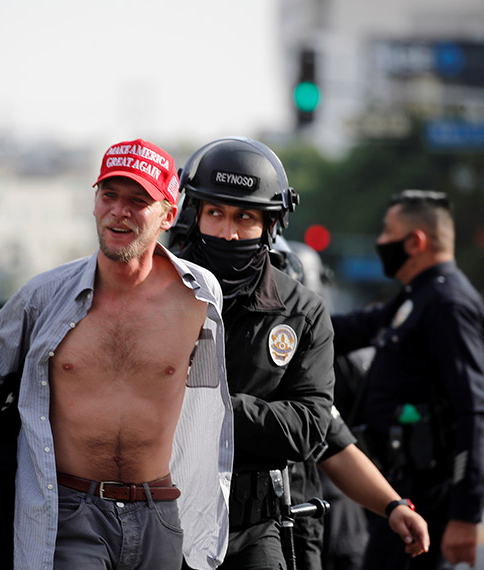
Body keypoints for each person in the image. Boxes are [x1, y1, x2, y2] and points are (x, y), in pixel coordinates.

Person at [0, 139, 233, 569]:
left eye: (139, 201)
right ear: (95, 202)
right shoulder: (43, 297)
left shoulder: (199, 297)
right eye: (109, 195)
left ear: (169, 215)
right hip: (70, 509)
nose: (120, 211)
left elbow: (208, 404)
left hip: (160, 509)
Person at [172, 136, 334, 570]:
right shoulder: (153, 291)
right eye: (216, 214)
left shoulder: (302, 311)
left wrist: (212, 406)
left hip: (254, 526)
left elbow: (310, 427)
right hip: (163, 519)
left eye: (245, 217)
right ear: (195, 214)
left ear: (270, 225)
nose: (228, 232)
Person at [332, 189, 484, 570]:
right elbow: (346, 330)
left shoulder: (449, 305)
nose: (381, 241)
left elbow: (475, 411)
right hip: (401, 485)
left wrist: (467, 514)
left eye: (387, 232)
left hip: (428, 494)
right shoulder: (417, 297)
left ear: (415, 241)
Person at [271, 240, 429, 570]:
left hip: (327, 505)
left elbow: (334, 438)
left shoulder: (318, 352)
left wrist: (392, 504)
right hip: (313, 511)